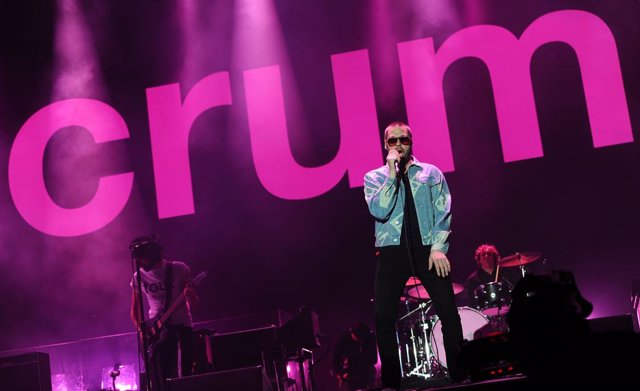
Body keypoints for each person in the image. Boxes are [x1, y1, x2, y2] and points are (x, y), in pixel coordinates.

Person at [364, 121, 465, 389]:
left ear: (411, 142)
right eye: (392, 141)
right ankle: (391, 384)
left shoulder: (431, 173)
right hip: (390, 253)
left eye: (403, 140)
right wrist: (390, 173)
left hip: (427, 250)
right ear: (385, 145)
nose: (398, 145)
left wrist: (438, 248)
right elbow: (380, 211)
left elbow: (444, 211)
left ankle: (460, 375)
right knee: (383, 318)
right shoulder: (374, 178)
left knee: (448, 312)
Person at [129, 236, 199, 391]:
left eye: (142, 259)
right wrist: (142, 330)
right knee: (161, 377)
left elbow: (195, 304)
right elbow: (134, 311)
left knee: (183, 374)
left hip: (181, 327)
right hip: (156, 332)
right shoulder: (138, 277)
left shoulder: (179, 269)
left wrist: (189, 293)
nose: (139, 263)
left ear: (152, 255)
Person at [464, 244, 515, 311]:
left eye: (489, 254)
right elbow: (472, 302)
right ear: (479, 259)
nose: (486, 256)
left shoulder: (504, 273)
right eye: (483, 254)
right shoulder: (473, 279)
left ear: (494, 257)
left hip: (506, 310)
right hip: (485, 314)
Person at [332, 322, 378, 391]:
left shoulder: (370, 337)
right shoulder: (344, 339)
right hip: (349, 376)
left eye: (363, 339)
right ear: (352, 333)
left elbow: (374, 359)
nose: (361, 341)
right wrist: (340, 374)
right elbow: (336, 359)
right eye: (358, 338)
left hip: (366, 373)